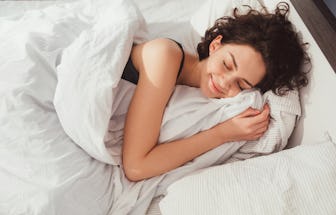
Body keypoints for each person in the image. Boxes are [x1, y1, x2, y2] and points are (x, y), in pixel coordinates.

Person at [121, 2, 310, 181]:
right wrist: (223, 133)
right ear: (215, 45)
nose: (225, 82)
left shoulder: (203, 101)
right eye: (227, 64)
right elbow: (135, 167)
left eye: (242, 84)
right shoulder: (165, 56)